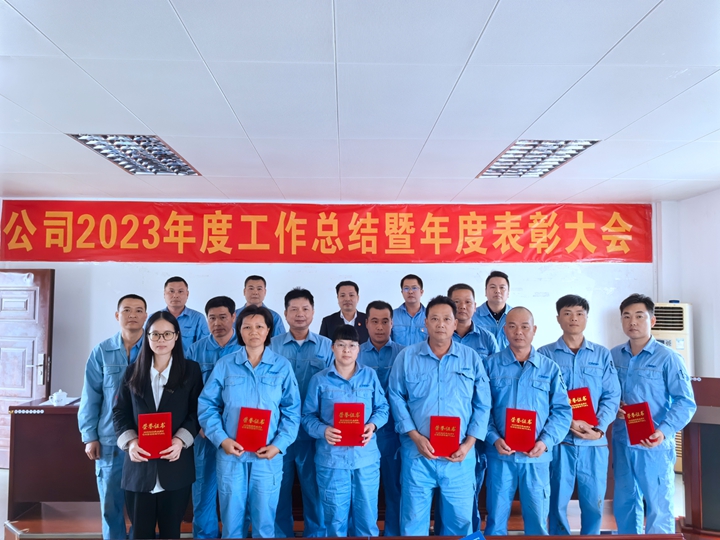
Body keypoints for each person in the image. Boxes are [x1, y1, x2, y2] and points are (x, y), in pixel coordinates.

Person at [388, 296, 491, 536]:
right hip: (418, 455)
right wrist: (415, 436)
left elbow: (483, 404)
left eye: (446, 319)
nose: (440, 324)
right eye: (434, 319)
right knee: (413, 522)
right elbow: (395, 397)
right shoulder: (407, 357)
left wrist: (469, 444)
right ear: (425, 323)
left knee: (460, 524)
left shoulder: (470, 358)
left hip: (459, 456)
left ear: (455, 323)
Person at [198, 305, 301, 539]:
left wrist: (278, 445)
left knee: (264, 524)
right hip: (231, 455)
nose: (253, 331)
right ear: (239, 331)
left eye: (259, 326)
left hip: (267, 456)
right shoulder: (225, 365)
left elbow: (292, 411)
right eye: (247, 327)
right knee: (232, 523)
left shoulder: (282, 366)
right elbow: (207, 405)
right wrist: (222, 440)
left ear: (268, 331)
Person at [112, 311, 203, 540]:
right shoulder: (132, 372)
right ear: (147, 336)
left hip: (175, 466)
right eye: (155, 334)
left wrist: (180, 440)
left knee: (171, 533)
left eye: (167, 334)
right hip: (139, 467)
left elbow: (196, 412)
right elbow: (120, 412)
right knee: (139, 533)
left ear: (176, 336)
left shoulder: (191, 371)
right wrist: (131, 442)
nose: (161, 340)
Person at [611, 293, 696, 534]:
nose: (632, 322)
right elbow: (606, 393)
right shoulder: (613, 355)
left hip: (654, 444)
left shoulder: (668, 358)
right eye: (626, 316)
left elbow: (685, 402)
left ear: (652, 320)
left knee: (658, 506)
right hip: (622, 441)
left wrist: (663, 431)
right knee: (625, 503)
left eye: (639, 316)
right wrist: (613, 407)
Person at [484, 307, 572, 536]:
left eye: (525, 327)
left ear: (534, 330)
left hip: (536, 457)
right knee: (495, 520)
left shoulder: (549, 368)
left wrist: (545, 442)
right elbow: (482, 409)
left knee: (537, 522)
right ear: (505, 330)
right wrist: (493, 438)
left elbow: (562, 411)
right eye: (512, 326)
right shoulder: (490, 366)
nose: (519, 332)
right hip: (500, 456)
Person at [537, 295, 620, 535]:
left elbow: (612, 395)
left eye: (579, 313)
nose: (573, 318)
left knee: (594, 503)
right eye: (567, 313)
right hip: (559, 441)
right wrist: (569, 422)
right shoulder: (545, 354)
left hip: (594, 443)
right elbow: (541, 398)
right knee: (556, 502)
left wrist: (599, 429)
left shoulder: (601, 355)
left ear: (586, 318)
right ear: (558, 318)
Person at [303, 325, 389, 537]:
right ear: (332, 347)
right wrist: (323, 430)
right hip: (332, 461)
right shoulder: (319, 380)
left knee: (367, 520)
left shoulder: (369, 376)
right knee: (335, 521)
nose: (346, 350)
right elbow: (307, 416)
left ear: (359, 349)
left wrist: (373, 425)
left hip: (365, 460)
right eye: (341, 345)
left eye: (352, 345)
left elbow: (383, 408)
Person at [78, 293, 148, 540]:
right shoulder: (102, 351)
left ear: (146, 316)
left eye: (138, 310)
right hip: (109, 440)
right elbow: (90, 396)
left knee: (142, 506)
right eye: (127, 310)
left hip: (146, 439)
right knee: (110, 505)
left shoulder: (154, 349)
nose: (132, 315)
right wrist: (90, 436)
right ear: (117, 315)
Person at [271, 288, 334, 538]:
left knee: (315, 489)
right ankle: (280, 535)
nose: (300, 314)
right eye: (294, 309)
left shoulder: (327, 346)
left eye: (305, 309)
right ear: (285, 313)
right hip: (278, 432)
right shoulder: (271, 345)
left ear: (313, 312)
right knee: (278, 489)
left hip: (314, 434)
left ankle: (316, 535)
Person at [186, 296, 243, 539]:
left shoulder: (245, 347)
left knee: (236, 491)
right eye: (212, 318)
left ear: (234, 317)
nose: (217, 323)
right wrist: (199, 424)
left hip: (237, 431)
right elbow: (187, 391)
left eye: (223, 317)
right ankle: (204, 535)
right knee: (203, 490)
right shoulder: (195, 350)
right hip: (204, 432)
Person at [447, 283, 500, 531]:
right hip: (445, 421)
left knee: (472, 484)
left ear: (475, 306)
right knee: (446, 486)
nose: (462, 307)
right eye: (456, 302)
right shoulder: (438, 336)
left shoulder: (487, 339)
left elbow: (494, 380)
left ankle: (471, 533)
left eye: (467, 302)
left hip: (477, 422)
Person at [357, 300, 405, 536]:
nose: (379, 327)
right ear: (366, 323)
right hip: (362, 435)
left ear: (392, 323)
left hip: (394, 434)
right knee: (363, 492)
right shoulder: (354, 353)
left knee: (395, 489)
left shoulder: (404, 354)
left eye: (385, 321)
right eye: (374, 321)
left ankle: (393, 534)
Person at [163, 276, 209, 355]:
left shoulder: (198, 318)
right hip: (161, 362)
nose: (175, 295)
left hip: (187, 362)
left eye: (180, 291)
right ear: (164, 294)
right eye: (171, 291)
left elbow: (202, 348)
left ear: (187, 294)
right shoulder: (155, 318)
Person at [473, 270, 512, 349]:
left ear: (508, 293)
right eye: (493, 287)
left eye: (502, 287)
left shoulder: (516, 316)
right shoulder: (473, 316)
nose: (497, 291)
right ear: (486, 292)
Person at [391, 274, 427, 346]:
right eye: (406, 288)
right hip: (399, 354)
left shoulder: (430, 316)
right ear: (402, 292)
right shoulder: (392, 316)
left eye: (414, 288)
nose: (410, 291)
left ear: (421, 292)